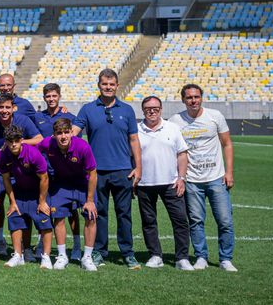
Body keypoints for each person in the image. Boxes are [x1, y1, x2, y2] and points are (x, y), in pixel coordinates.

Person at [73, 68, 142, 269]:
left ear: (117, 86)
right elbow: (75, 132)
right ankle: (98, 252)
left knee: (124, 213)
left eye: (112, 84)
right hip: (96, 172)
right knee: (98, 213)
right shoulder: (87, 109)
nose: (108, 87)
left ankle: (128, 253)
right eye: (105, 84)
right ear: (99, 85)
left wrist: (138, 167)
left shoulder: (127, 110)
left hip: (123, 170)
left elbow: (134, 140)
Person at [172, 83, 237, 272]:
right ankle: (201, 257)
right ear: (183, 100)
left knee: (225, 220)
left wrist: (229, 172)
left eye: (197, 97)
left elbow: (227, 144)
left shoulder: (215, 116)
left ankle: (225, 258)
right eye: (189, 97)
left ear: (201, 98)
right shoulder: (176, 120)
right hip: (192, 180)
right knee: (196, 221)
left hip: (216, 177)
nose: (193, 100)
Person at [136, 96, 193, 271]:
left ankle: (182, 258)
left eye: (155, 108)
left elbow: (182, 154)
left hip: (171, 183)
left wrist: (181, 178)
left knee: (180, 221)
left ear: (161, 109)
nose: (151, 111)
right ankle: (155, 255)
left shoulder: (172, 128)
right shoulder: (136, 130)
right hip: (145, 183)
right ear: (143, 110)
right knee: (148, 221)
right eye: (147, 108)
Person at [0, 93, 42, 258]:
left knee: (25, 205)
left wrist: (18, 142)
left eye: (7, 107)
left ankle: (26, 246)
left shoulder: (23, 121)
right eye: (1, 107)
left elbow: (39, 139)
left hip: (21, 170)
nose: (4, 110)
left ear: (13, 108)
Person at [40, 118, 99, 271]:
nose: (63, 136)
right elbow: (35, 147)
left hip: (83, 183)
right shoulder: (48, 143)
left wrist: (90, 200)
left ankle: (87, 256)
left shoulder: (83, 146)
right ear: (53, 135)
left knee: (90, 215)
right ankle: (62, 255)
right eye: (59, 133)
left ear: (72, 133)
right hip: (62, 183)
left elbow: (92, 174)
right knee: (58, 216)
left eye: (66, 132)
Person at [34, 82, 79, 261]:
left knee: (71, 209)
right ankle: (41, 242)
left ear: (59, 96)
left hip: (65, 171)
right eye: (48, 96)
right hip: (44, 171)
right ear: (44, 98)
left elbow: (75, 142)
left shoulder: (70, 117)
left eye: (54, 96)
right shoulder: (38, 117)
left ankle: (76, 245)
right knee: (43, 205)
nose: (51, 99)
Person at [0, 126, 53, 269]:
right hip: (20, 190)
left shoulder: (33, 154)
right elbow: (6, 180)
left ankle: (46, 257)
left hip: (38, 192)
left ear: (22, 140)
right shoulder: (2, 155)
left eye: (16, 141)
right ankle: (18, 255)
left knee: (44, 218)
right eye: (10, 141)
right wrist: (12, 202)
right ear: (6, 142)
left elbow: (44, 178)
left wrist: (42, 201)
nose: (14, 144)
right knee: (14, 215)